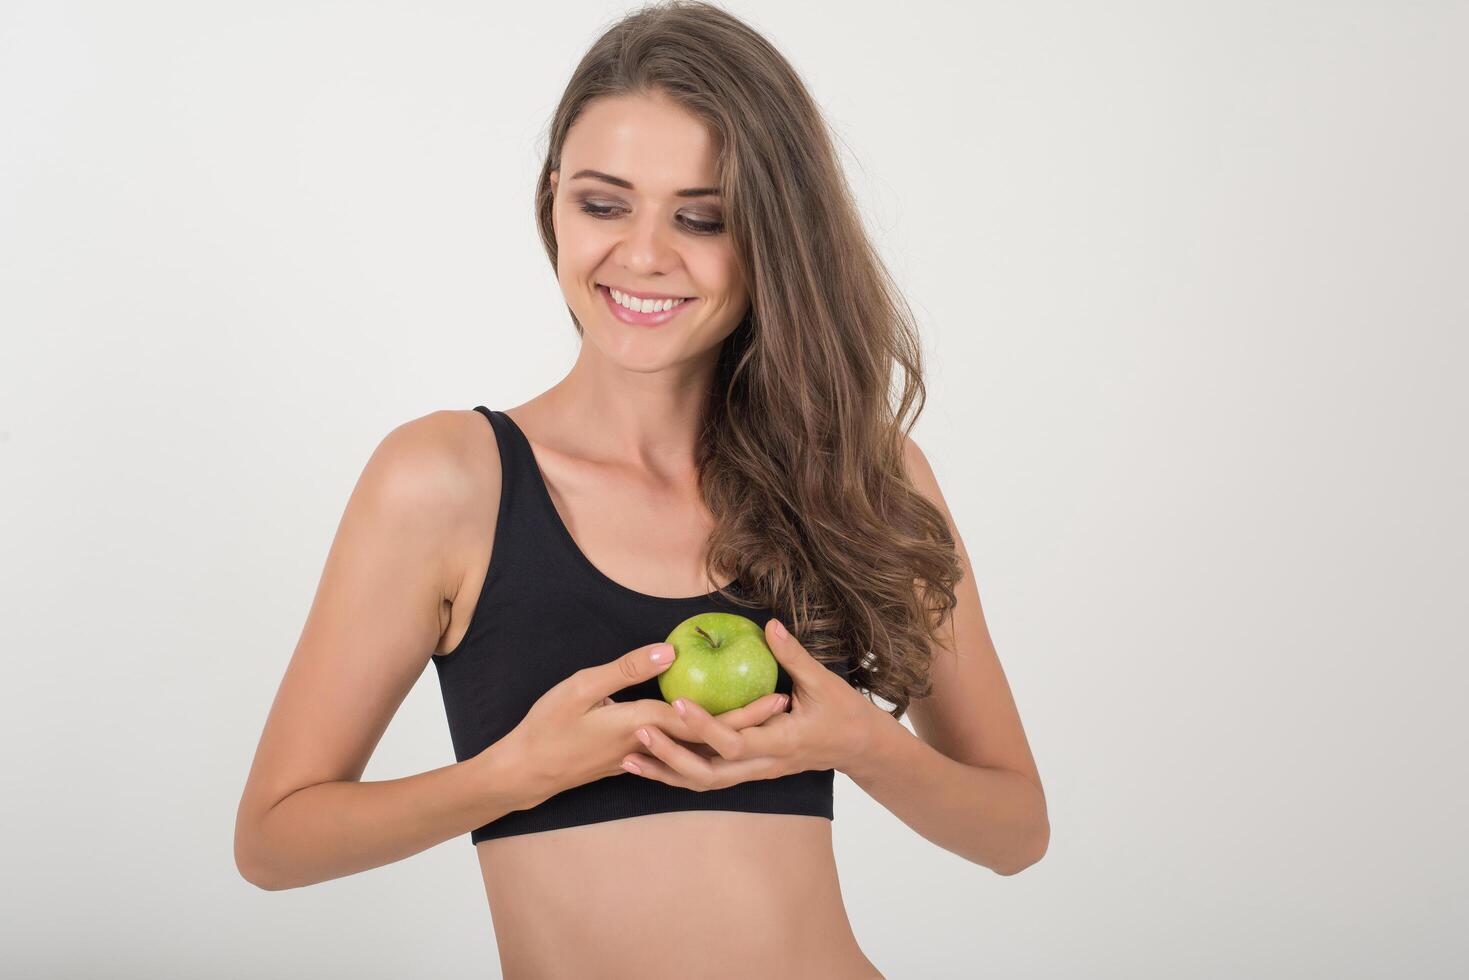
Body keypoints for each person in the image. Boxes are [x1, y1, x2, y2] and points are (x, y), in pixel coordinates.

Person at [234, 2, 1048, 976]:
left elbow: (1013, 828)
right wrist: (511, 772)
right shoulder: (447, 480)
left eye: (701, 216)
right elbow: (274, 841)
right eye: (602, 201)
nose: (644, 253)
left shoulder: (857, 475)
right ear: (551, 201)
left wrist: (859, 744)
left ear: (771, 237)